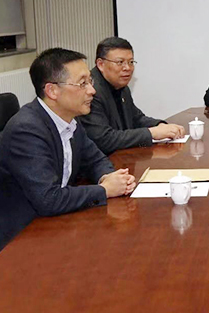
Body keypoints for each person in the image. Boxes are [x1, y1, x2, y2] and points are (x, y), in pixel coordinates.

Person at [0, 48, 136, 228]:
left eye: (90, 81)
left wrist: (110, 177)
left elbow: (95, 160)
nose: (92, 90)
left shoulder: (70, 119)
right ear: (52, 91)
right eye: (82, 83)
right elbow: (48, 199)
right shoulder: (26, 131)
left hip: (59, 218)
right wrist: (104, 190)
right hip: (24, 231)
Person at [78, 37, 185, 155]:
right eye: (120, 62)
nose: (127, 68)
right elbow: (104, 139)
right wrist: (152, 133)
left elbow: (136, 118)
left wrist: (160, 125)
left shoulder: (121, 86)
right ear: (101, 64)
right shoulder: (90, 92)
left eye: (131, 62)